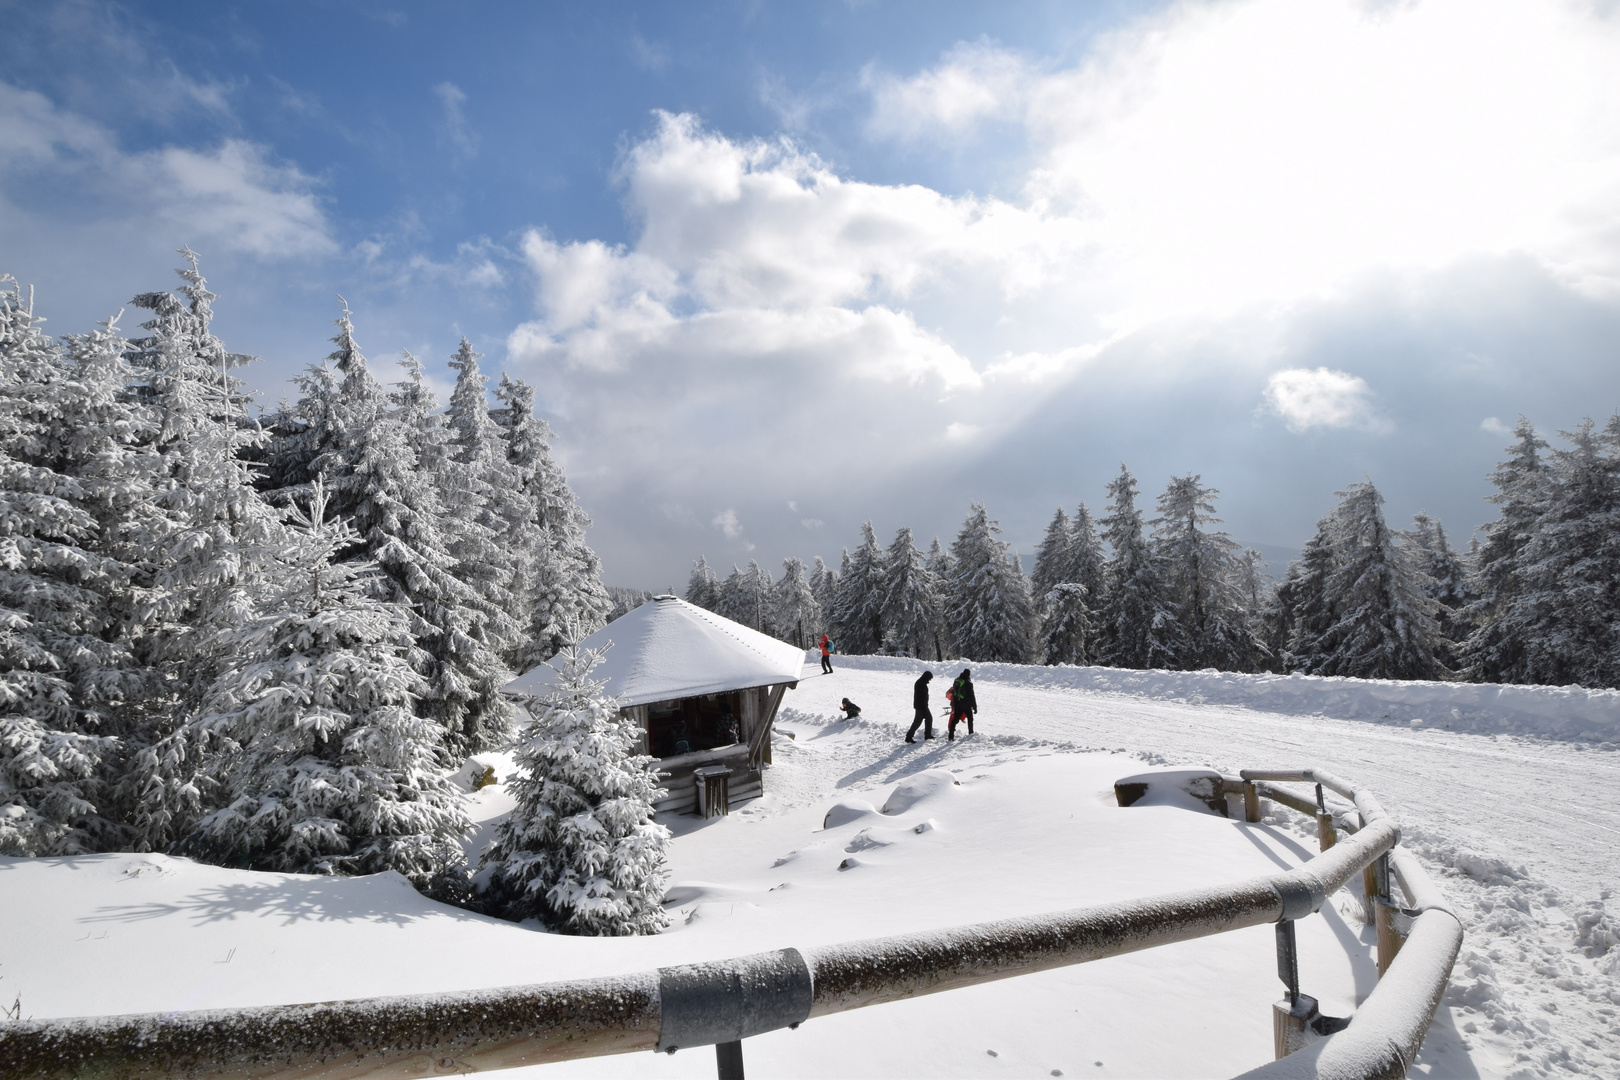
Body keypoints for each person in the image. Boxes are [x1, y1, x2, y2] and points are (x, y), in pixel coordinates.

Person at [947, 668, 977, 741]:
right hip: (966, 704)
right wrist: (974, 706)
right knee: (970, 719)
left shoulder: (957, 681)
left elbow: (954, 692)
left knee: (955, 719)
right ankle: (971, 734)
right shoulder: (969, 684)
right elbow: (972, 696)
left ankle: (951, 736)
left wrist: (954, 702)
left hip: (958, 703)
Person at [906, 671, 935, 743]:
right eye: (929, 678)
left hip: (921, 706)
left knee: (928, 719)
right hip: (921, 706)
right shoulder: (921, 684)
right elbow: (921, 697)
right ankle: (909, 737)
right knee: (918, 722)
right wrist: (924, 706)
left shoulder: (921, 682)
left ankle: (927, 735)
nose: (930, 680)